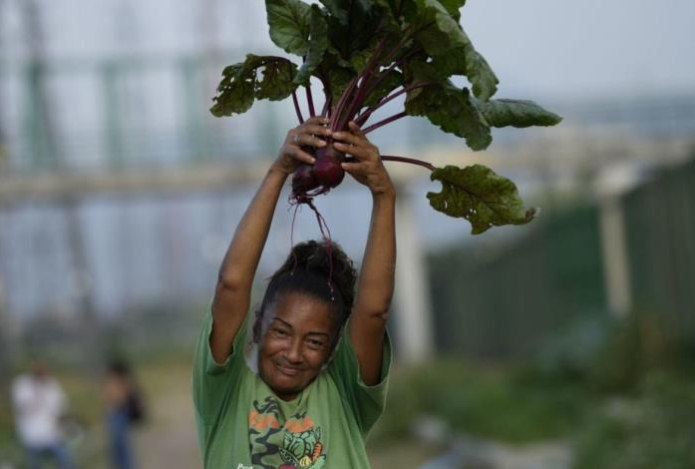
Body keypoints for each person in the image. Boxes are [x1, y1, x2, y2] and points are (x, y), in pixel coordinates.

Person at [193, 117, 396, 468]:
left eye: (315, 342)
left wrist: (383, 194)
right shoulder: (223, 393)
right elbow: (231, 284)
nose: (294, 353)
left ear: (334, 349)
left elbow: (374, 311)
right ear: (258, 328)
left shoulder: (345, 397)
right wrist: (279, 171)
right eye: (282, 332)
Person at [11, 362, 75, 469]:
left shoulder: (52, 384)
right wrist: (38, 390)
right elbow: (24, 407)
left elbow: (61, 405)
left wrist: (65, 420)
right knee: (35, 464)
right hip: (31, 435)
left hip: (52, 434)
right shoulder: (22, 384)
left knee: (66, 461)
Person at [104, 360, 144, 469]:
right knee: (118, 446)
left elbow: (117, 399)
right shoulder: (123, 381)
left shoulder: (119, 382)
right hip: (117, 414)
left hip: (118, 414)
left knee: (121, 446)